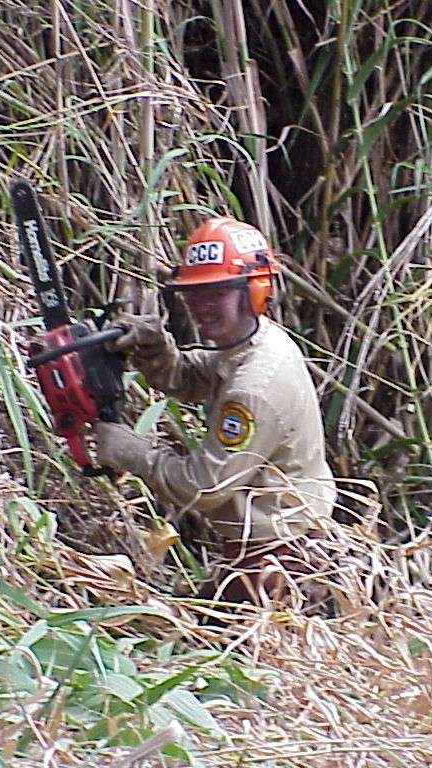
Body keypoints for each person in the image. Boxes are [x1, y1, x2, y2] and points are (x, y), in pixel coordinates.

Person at [94, 216, 337, 607]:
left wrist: (133, 453)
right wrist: (156, 350)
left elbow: (202, 487)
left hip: (278, 564)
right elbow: (193, 377)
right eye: (194, 294)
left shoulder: (255, 388)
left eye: (217, 293)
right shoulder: (256, 343)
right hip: (270, 546)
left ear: (255, 291)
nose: (201, 307)